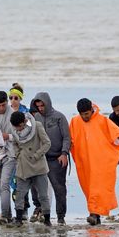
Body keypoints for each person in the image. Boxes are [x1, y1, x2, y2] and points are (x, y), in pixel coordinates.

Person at [70, 98, 119, 226]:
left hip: (100, 163)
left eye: (87, 114)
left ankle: (94, 214)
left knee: (97, 188)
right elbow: (70, 141)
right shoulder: (75, 122)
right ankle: (95, 215)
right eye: (82, 114)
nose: (85, 117)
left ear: (91, 110)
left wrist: (109, 151)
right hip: (83, 162)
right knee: (88, 189)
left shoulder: (102, 120)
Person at [30, 92, 72, 225]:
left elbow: (67, 137)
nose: (41, 108)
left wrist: (64, 153)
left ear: (48, 103)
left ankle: (60, 217)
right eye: (38, 106)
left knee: (59, 188)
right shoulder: (35, 117)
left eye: (42, 105)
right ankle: (40, 210)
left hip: (57, 158)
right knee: (35, 186)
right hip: (41, 158)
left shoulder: (59, 117)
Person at [7, 111, 53, 227]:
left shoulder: (36, 125)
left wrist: (37, 155)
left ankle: (47, 220)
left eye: (19, 126)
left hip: (38, 165)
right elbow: (14, 143)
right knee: (20, 194)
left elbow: (47, 143)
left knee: (43, 195)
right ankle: (18, 219)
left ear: (25, 122)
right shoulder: (14, 129)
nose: (18, 129)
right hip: (23, 166)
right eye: (15, 127)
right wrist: (18, 154)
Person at [0, 90, 18, 225]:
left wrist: (8, 136)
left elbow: (21, 134)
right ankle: (9, 215)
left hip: (10, 154)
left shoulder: (14, 114)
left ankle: (4, 215)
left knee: (5, 185)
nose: (1, 108)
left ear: (7, 103)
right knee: (0, 186)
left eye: (3, 105)